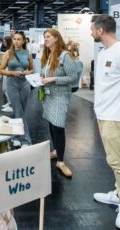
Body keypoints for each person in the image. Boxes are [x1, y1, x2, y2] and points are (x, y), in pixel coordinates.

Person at [90, 15, 120, 230]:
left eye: (92, 29)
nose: (90, 32)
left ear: (100, 30)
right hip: (104, 114)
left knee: (119, 161)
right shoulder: (103, 53)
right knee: (113, 159)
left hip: (118, 116)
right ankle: (119, 194)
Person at [40, 29, 77, 178]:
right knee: (51, 122)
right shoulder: (48, 55)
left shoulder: (65, 56)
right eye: (45, 37)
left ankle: (61, 161)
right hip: (48, 95)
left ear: (56, 38)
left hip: (60, 96)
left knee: (58, 125)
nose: (45, 39)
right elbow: (46, 74)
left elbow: (73, 77)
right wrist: (41, 79)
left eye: (48, 37)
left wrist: (53, 79)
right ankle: (56, 151)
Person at [0, 31, 33, 148]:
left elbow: (32, 69)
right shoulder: (8, 53)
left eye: (19, 39)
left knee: (21, 111)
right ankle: (26, 140)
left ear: (23, 41)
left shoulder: (27, 53)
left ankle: (16, 136)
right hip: (12, 83)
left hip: (25, 84)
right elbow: (1, 70)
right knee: (18, 110)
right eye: (15, 39)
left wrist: (27, 72)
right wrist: (13, 73)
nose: (16, 41)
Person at [0, 36, 13, 113]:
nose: (3, 43)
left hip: (8, 70)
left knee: (7, 89)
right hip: (5, 69)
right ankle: (8, 103)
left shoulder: (11, 50)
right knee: (5, 88)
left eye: (5, 41)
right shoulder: (8, 49)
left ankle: (11, 105)